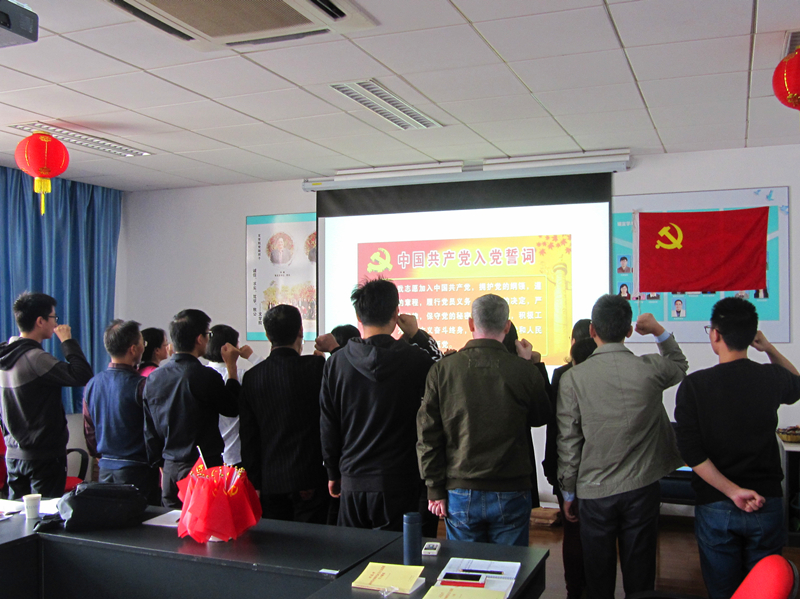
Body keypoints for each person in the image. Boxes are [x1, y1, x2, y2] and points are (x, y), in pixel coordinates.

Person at [557, 294, 688, 599]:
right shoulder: (651, 368)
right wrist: (658, 330)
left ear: (592, 330)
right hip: (641, 488)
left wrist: (568, 492)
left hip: (594, 492)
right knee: (640, 575)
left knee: (598, 577)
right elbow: (679, 364)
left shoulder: (573, 378)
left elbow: (568, 442)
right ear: (629, 330)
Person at [674, 298, 800, 599]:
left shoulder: (695, 385)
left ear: (715, 334)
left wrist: (732, 491)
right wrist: (768, 348)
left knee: (723, 592)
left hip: (716, 503)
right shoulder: (770, 377)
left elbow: (692, 453)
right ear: (751, 335)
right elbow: (796, 383)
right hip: (766, 502)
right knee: (766, 589)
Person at [417, 294, 550, 546]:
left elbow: (428, 434)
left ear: (470, 323)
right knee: (509, 568)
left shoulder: (442, 370)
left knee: (464, 567)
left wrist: (434, 488)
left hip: (459, 489)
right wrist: (531, 365)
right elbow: (541, 416)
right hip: (512, 488)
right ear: (507, 326)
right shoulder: (524, 371)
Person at [320, 278, 440, 531]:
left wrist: (332, 471)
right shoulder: (416, 360)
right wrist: (417, 335)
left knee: (354, 553)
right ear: (396, 314)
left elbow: (328, 423)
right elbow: (441, 371)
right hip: (401, 480)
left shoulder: (336, 363)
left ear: (358, 316)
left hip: (353, 479)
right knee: (399, 554)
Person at [239, 305, 329, 523]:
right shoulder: (316, 366)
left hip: (270, 481)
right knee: (314, 540)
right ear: (301, 331)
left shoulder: (252, 377)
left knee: (275, 541)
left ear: (268, 335)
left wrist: (254, 483)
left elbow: (248, 436)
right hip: (310, 479)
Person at [0, 292, 94, 499]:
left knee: (19, 515)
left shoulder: (5, 357)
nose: (56, 323)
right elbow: (82, 375)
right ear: (40, 321)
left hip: (14, 454)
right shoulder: (35, 358)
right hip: (43, 457)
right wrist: (67, 341)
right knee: (46, 514)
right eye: (53, 317)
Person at [143, 309, 241, 508]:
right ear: (199, 339)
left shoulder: (154, 378)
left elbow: (149, 430)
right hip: (203, 466)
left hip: (170, 467)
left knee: (173, 523)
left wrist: (161, 464)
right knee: (207, 522)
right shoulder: (205, 376)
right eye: (207, 334)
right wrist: (231, 369)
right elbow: (232, 408)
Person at [83, 320, 160, 504]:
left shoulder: (92, 384)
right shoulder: (142, 386)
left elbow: (89, 430)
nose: (144, 347)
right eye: (142, 343)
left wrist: (100, 456)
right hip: (138, 471)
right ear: (133, 349)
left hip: (105, 468)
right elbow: (154, 431)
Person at [542, 318, 593, 599]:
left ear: (572, 343)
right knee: (597, 534)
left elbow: (555, 426)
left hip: (565, 464)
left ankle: (574, 590)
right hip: (598, 467)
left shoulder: (563, 375)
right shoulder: (601, 374)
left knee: (572, 535)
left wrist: (552, 470)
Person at [204, 324, 263, 468]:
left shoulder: (201, 375)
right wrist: (251, 356)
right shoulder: (242, 376)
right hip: (238, 453)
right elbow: (270, 371)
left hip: (209, 456)